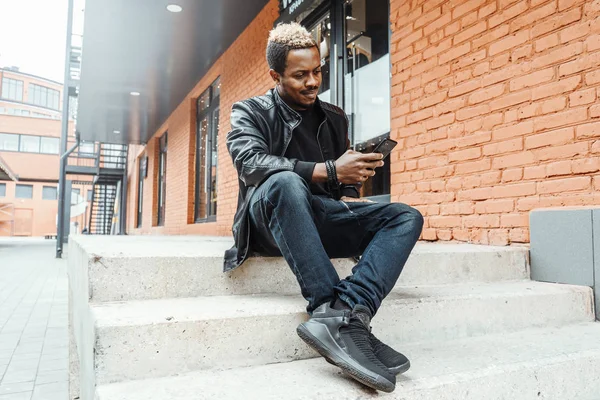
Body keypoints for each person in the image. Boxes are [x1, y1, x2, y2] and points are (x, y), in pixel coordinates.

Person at [224, 22, 423, 393]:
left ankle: (348, 314)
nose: (313, 81)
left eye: (317, 71)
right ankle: (326, 308)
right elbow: (249, 162)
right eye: (300, 75)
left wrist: (352, 175)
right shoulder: (250, 111)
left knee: (405, 216)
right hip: (270, 222)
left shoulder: (333, 116)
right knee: (286, 182)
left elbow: (338, 186)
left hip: (318, 218)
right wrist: (327, 170)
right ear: (275, 75)